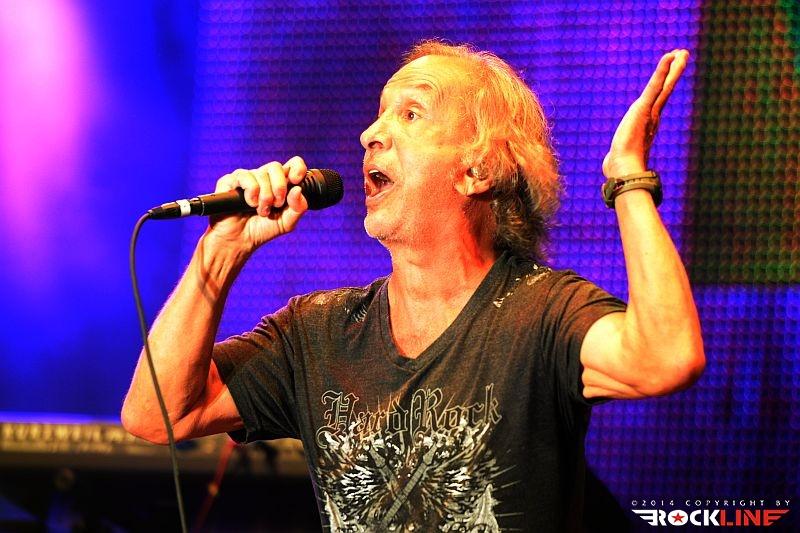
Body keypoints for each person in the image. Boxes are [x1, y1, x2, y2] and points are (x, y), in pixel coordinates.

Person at [122, 40, 704, 532]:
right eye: (379, 114)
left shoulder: (543, 313)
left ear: (477, 170)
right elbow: (156, 414)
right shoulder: (319, 332)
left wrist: (628, 180)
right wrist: (220, 252)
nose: (370, 134)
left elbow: (666, 357)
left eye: (410, 114)